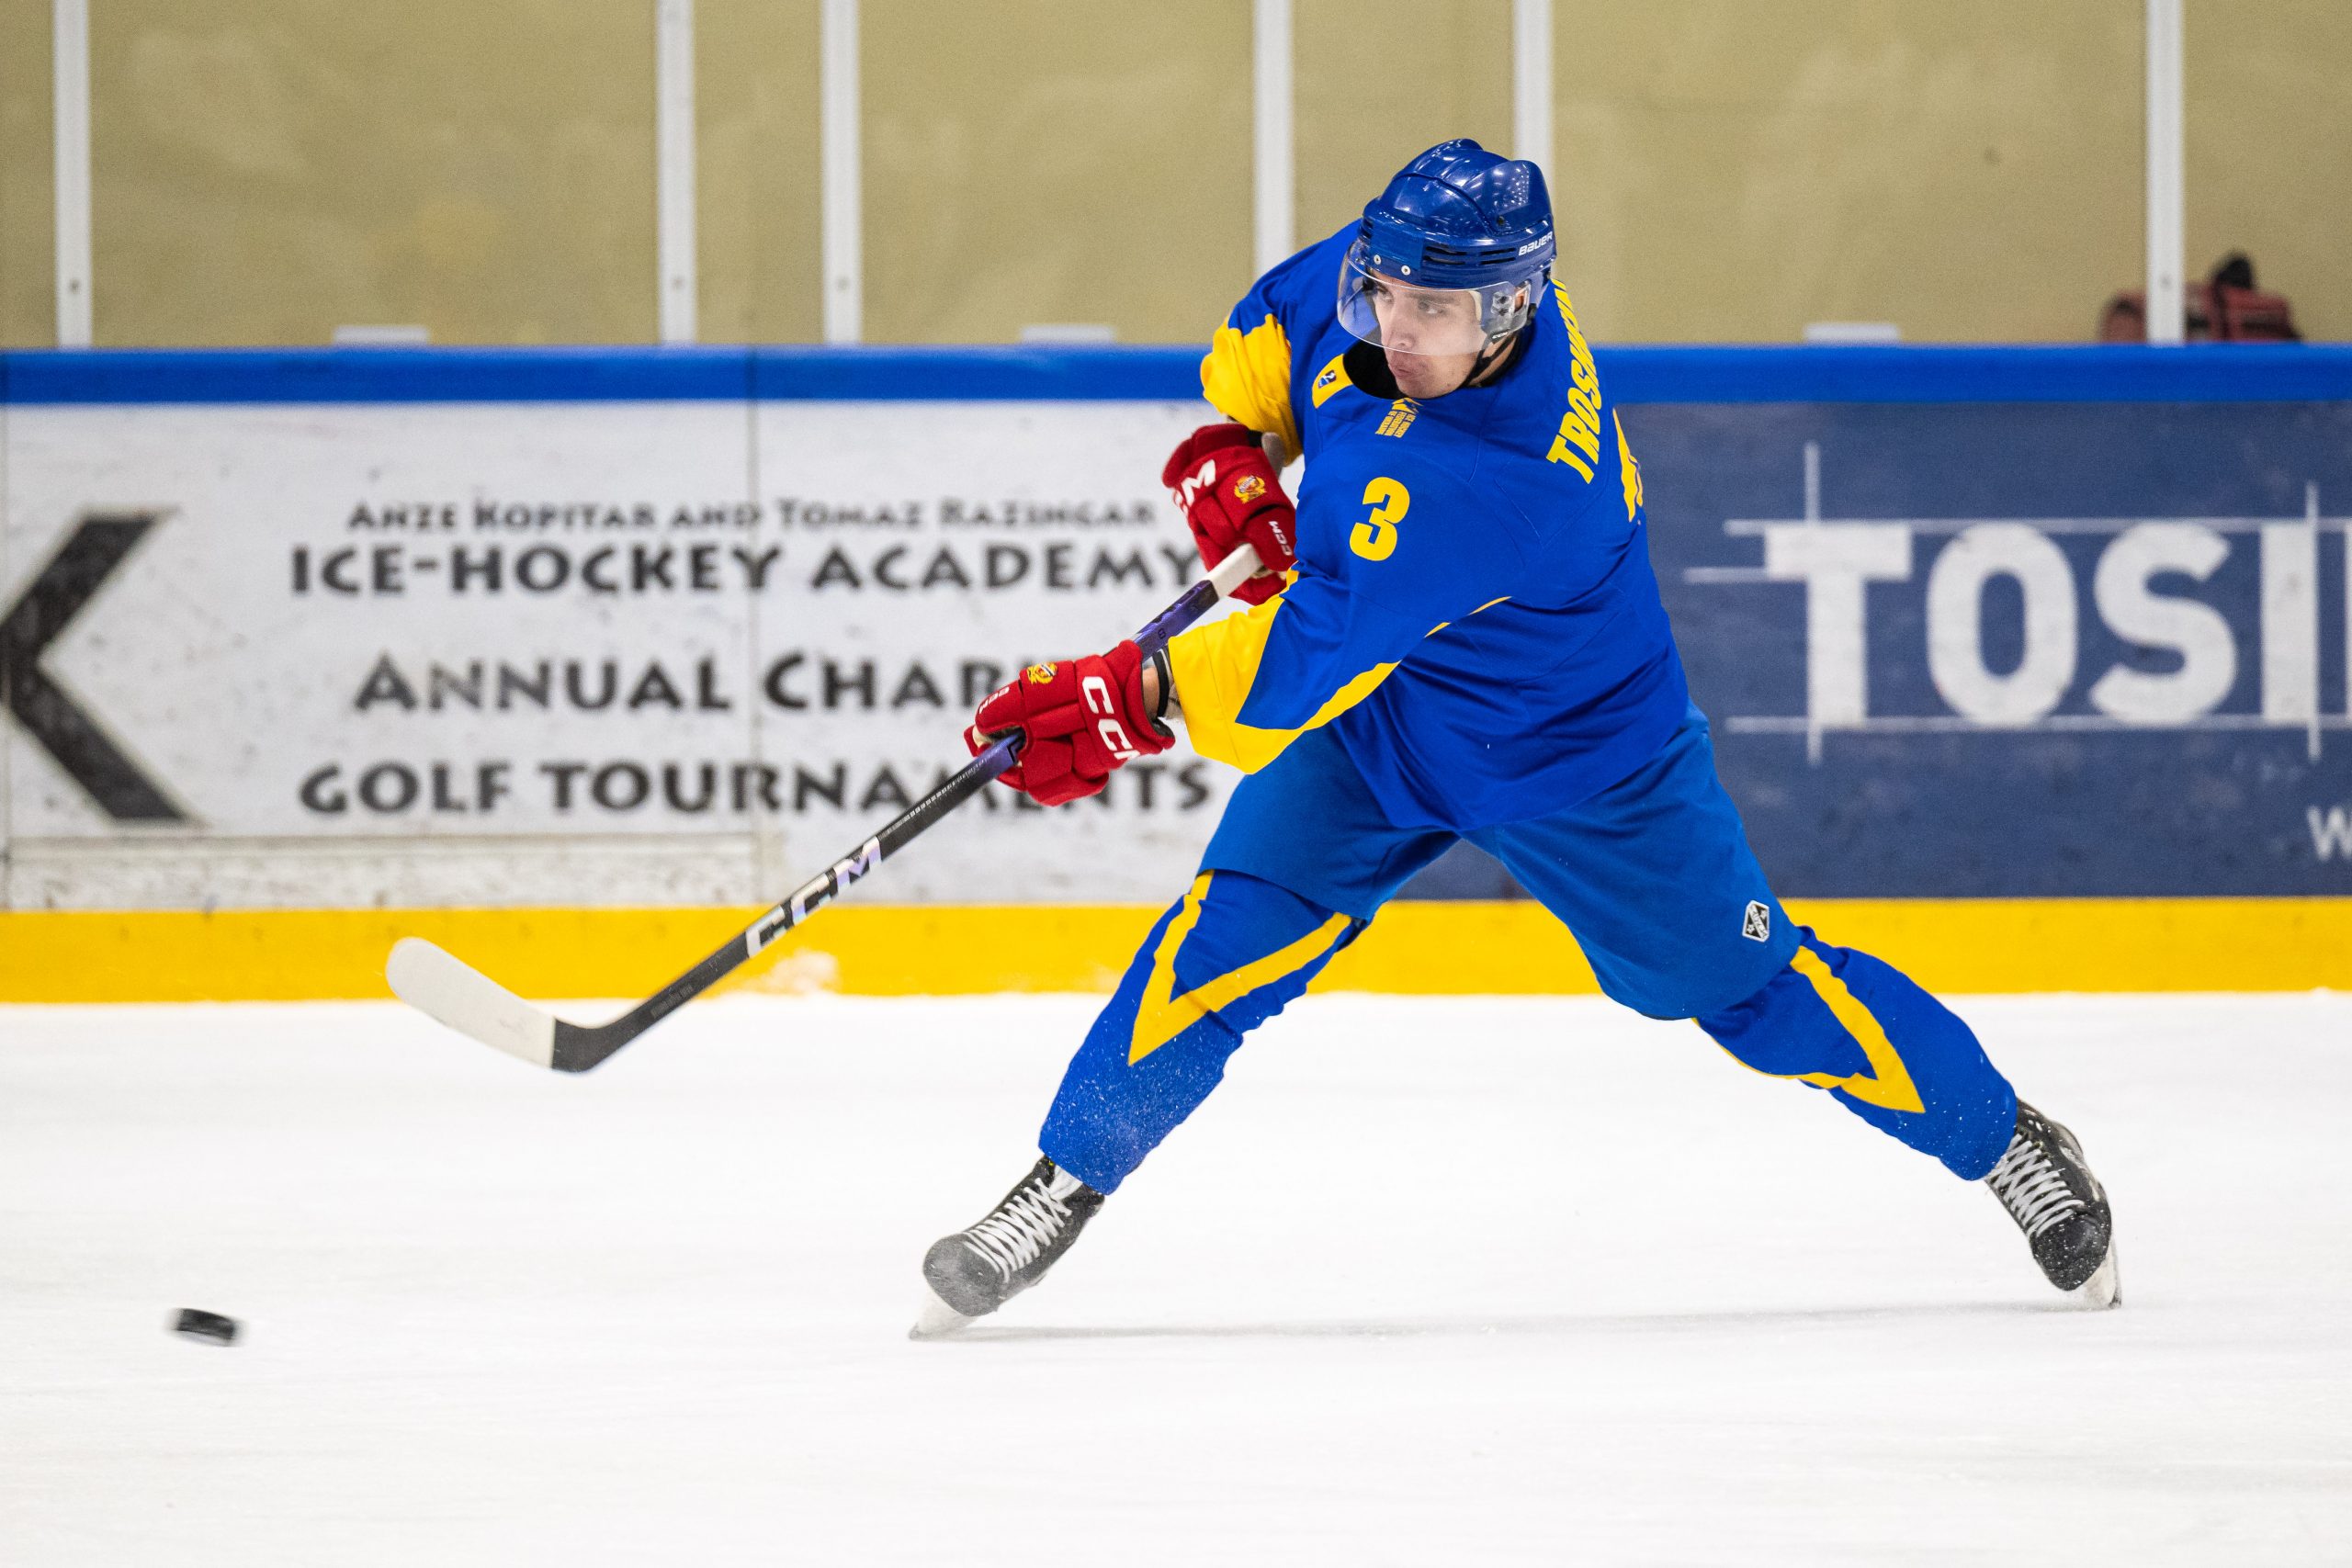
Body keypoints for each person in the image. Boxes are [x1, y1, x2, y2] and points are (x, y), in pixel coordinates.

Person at [914, 141, 2116, 1335]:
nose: (1398, 327)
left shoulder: (1506, 476)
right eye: (1385, 292)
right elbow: (1262, 348)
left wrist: (1125, 698)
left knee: (1750, 994)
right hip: (1385, 721)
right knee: (1218, 943)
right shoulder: (1395, 277)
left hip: (1584, 761)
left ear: (1514, 307)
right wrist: (1227, 455)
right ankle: (1061, 1182)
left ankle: (2003, 1138)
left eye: (1436, 310)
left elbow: (1287, 669)